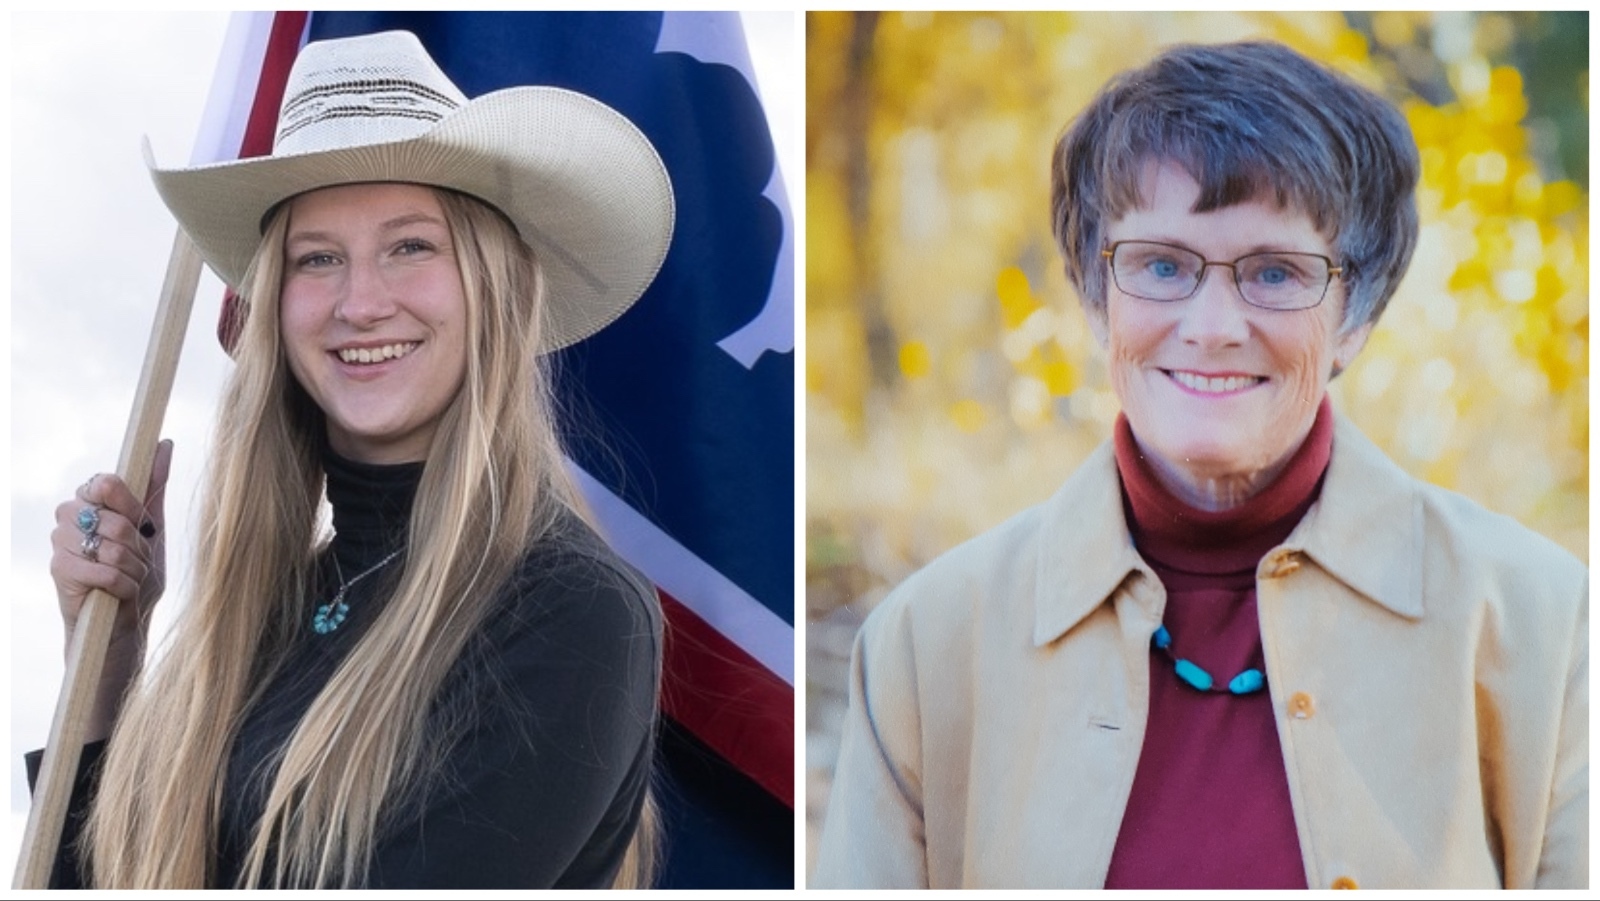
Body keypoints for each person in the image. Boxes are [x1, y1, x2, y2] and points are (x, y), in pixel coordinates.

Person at [813, 41, 1586, 890]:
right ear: (1093, 297)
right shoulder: (928, 642)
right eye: (1163, 265)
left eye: (1275, 272)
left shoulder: (1543, 623)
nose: (1212, 323)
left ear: (1356, 315)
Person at [35, 30, 674, 889]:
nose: (361, 303)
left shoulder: (568, 610)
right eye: (318, 258)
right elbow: (91, 878)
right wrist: (106, 659)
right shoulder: (268, 607)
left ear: (491, 286)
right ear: (273, 310)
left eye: (411, 245)